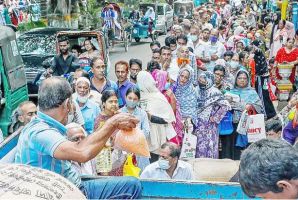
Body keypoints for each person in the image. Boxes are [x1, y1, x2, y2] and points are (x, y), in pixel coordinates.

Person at [14, 77, 142, 199]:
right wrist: (112, 123)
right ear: (67, 104)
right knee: (132, 186)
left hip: (68, 184)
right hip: (69, 191)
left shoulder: (42, 125)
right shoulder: (40, 132)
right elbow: (82, 152)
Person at [137, 71, 176, 162]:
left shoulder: (158, 97)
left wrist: (150, 117)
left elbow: (167, 119)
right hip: (145, 135)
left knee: (156, 160)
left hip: (158, 134)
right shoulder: (140, 95)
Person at [226, 70, 264, 160]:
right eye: (239, 78)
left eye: (244, 78)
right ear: (236, 79)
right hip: (234, 125)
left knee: (247, 149)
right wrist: (241, 105)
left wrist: (249, 106)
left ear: (247, 80)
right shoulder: (230, 92)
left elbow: (260, 107)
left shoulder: (252, 92)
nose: (242, 80)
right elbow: (227, 106)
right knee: (234, 148)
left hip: (248, 125)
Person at [195, 71, 231, 158]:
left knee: (209, 147)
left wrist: (215, 117)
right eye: (200, 80)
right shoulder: (196, 90)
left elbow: (226, 105)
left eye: (204, 81)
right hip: (197, 124)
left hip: (209, 125)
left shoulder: (215, 92)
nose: (202, 83)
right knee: (196, 146)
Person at [120, 87, 150, 171]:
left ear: (138, 100)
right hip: (123, 149)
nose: (132, 101)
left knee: (140, 173)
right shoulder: (119, 113)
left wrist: (134, 138)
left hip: (139, 149)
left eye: (135, 99)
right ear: (125, 97)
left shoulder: (142, 113)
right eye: (130, 98)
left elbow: (146, 131)